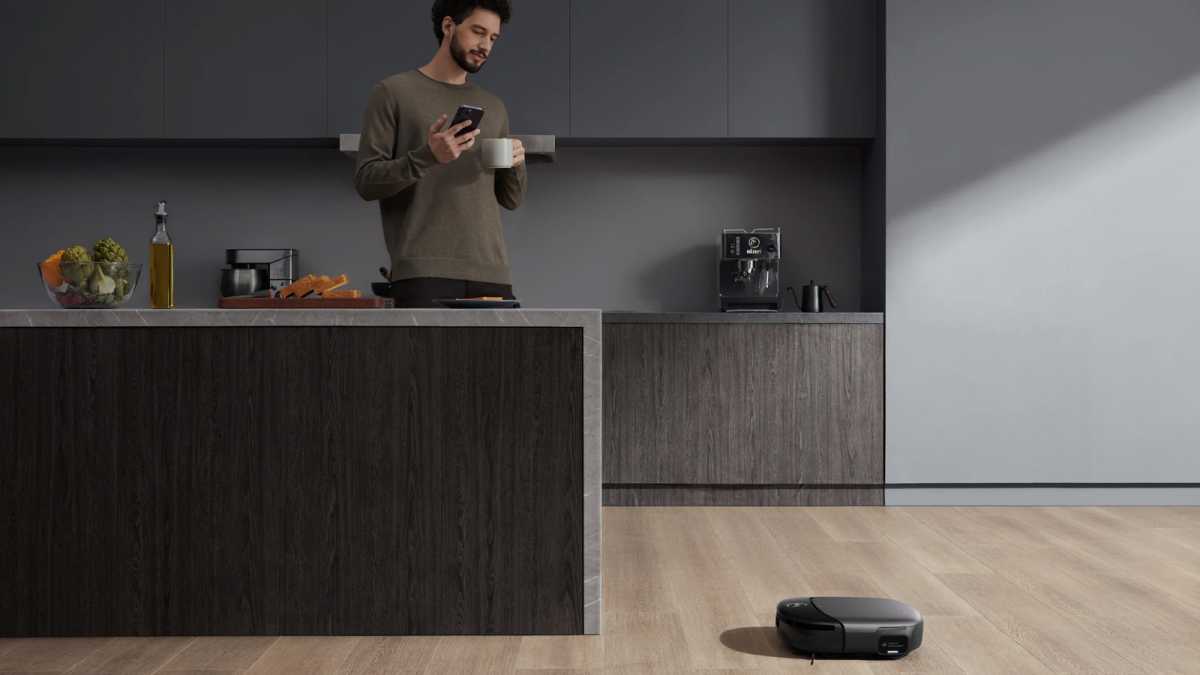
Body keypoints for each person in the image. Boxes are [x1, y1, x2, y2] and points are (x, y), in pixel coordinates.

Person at [354, 0, 525, 308]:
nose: (485, 45)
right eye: (478, 32)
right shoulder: (392, 92)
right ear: (448, 26)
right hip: (422, 273)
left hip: (492, 272)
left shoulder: (494, 106)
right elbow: (366, 181)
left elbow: (511, 199)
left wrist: (516, 161)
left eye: (493, 38)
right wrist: (428, 155)